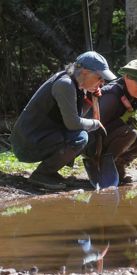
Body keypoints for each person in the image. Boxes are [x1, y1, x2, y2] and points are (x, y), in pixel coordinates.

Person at [10, 51, 116, 190]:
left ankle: (50, 172)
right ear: (84, 72)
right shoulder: (65, 84)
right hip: (26, 145)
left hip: (39, 137)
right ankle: (41, 174)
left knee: (83, 134)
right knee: (81, 137)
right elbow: (73, 124)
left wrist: (89, 100)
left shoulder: (76, 84)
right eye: (99, 78)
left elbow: (72, 116)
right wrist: (95, 124)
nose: (102, 83)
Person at [93, 59, 137, 184]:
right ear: (126, 77)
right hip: (98, 143)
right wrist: (123, 120)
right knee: (130, 132)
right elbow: (95, 131)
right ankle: (102, 166)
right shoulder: (111, 94)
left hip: (124, 136)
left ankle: (120, 162)